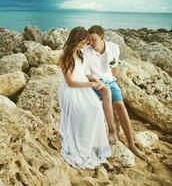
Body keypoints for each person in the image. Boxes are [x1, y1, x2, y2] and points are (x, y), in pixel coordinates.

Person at [83, 25, 146, 160]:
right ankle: (110, 131)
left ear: (102, 38)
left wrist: (111, 82)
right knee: (97, 108)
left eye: (94, 40)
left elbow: (113, 68)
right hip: (95, 83)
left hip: (110, 81)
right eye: (89, 40)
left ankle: (132, 144)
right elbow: (86, 74)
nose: (91, 43)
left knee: (121, 107)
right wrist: (98, 82)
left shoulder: (114, 48)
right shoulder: (86, 52)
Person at [58, 26, 112, 169]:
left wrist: (95, 80)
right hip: (71, 91)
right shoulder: (65, 58)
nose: (87, 43)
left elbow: (83, 73)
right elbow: (70, 82)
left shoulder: (80, 54)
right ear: (77, 40)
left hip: (83, 87)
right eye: (84, 41)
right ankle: (81, 144)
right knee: (86, 110)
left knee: (95, 108)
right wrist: (90, 85)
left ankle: (91, 143)